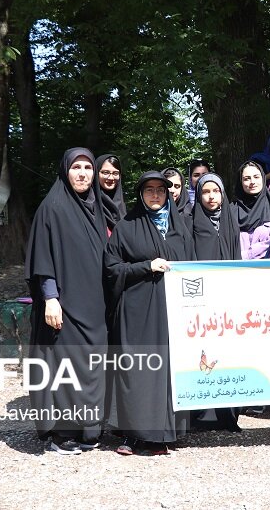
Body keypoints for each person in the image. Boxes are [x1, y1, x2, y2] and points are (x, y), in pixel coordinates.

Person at [24, 148, 109, 455]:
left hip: (95, 304)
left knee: (93, 366)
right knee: (68, 367)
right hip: (65, 304)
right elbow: (43, 257)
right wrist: (50, 299)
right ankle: (64, 434)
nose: (83, 173)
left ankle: (89, 430)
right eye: (77, 167)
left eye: (88, 167)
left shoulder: (95, 206)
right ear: (65, 171)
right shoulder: (54, 207)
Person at [104, 171, 194, 456]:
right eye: (149, 191)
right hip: (137, 310)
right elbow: (111, 269)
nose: (155, 195)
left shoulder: (180, 228)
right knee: (139, 369)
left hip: (171, 310)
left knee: (167, 371)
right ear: (140, 195)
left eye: (160, 191)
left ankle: (163, 435)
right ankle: (133, 434)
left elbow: (192, 266)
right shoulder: (126, 227)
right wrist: (145, 266)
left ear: (168, 194)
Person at [190, 173, 242, 433]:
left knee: (226, 353)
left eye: (216, 191)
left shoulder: (230, 218)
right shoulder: (191, 221)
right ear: (198, 195)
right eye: (205, 192)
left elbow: (237, 254)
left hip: (227, 296)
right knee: (202, 353)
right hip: (201, 300)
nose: (211, 197)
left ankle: (227, 416)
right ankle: (200, 415)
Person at [232, 160, 270, 260]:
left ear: (263, 178)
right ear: (240, 182)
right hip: (236, 269)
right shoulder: (230, 211)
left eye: (256, 177)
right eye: (247, 178)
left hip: (268, 270)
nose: (252, 182)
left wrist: (246, 255)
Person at [95, 153, 126, 231]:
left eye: (115, 173)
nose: (111, 178)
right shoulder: (90, 204)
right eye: (105, 172)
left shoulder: (121, 206)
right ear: (96, 173)